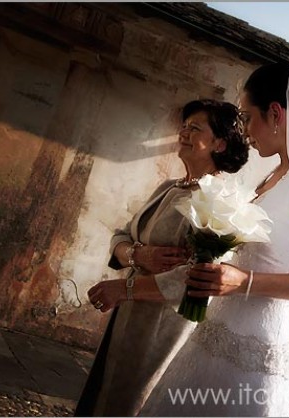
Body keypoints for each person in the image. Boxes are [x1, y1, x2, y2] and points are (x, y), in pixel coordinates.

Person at [91, 62, 289, 417]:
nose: (244, 129)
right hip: (214, 337)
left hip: (258, 354)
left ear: (275, 113)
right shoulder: (276, 173)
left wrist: (245, 281)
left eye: (246, 116)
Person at [75, 99, 249, 416]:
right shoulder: (169, 187)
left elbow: (196, 277)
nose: (184, 132)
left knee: (132, 402)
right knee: (105, 394)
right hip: (128, 316)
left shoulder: (220, 201)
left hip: (163, 326)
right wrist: (138, 254)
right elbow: (122, 234)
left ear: (220, 143)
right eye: (184, 125)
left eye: (195, 127)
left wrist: (124, 289)